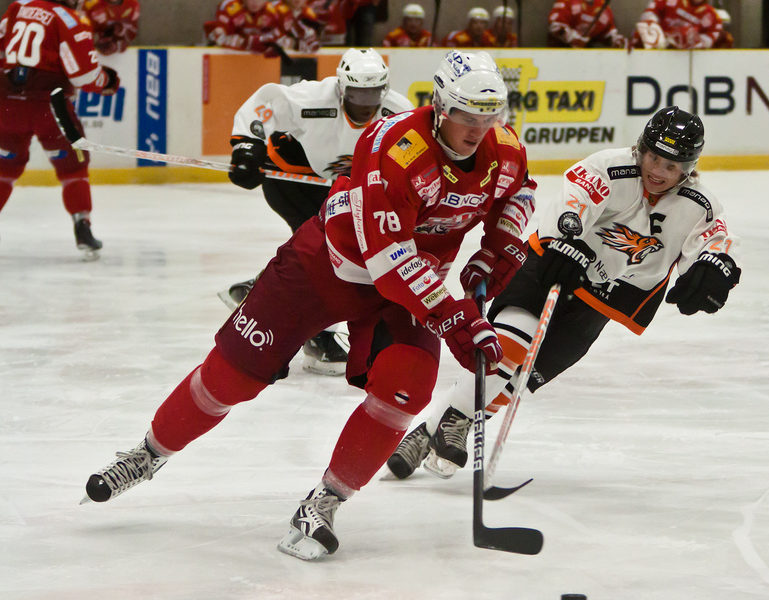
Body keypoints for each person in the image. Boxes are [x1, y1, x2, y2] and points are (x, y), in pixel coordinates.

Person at [83, 50, 537, 562]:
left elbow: (518, 195)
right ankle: (147, 453)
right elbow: (389, 260)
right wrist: (455, 316)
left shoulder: (505, 149)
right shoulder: (395, 145)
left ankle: (325, 502)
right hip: (329, 266)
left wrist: (500, 248)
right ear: (439, 106)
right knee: (231, 378)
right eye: (465, 116)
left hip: (410, 286)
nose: (477, 129)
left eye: (487, 116)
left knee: (405, 390)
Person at [387, 106, 741, 481]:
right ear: (641, 148)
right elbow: (573, 204)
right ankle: (457, 419)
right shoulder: (610, 167)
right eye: (654, 157)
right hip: (553, 270)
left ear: (688, 168)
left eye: (671, 167)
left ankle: (427, 432)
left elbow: (714, 240)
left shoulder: (698, 204)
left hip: (601, 299)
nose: (658, 171)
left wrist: (715, 265)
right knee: (507, 352)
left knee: (521, 378)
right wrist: (566, 241)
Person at [220, 47, 413, 375]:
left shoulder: (399, 112)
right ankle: (315, 338)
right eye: (356, 94)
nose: (365, 104)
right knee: (322, 257)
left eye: (373, 94)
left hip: (340, 190)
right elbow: (265, 103)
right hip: (293, 182)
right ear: (340, 87)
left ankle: (257, 290)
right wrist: (247, 147)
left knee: (339, 257)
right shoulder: (311, 98)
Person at [0, 0, 120, 260]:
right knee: (73, 166)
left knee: (4, 168)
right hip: (50, 108)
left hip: (7, 104)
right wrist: (108, 80)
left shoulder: (18, 6)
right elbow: (84, 77)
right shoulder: (68, 19)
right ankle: (82, 226)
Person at [632, 0, 723, 49]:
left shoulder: (713, 16)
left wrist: (694, 40)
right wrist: (655, 32)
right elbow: (649, 14)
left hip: (687, 60)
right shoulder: (668, 1)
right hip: (658, 52)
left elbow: (709, 40)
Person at [203, 0, 278, 54]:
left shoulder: (271, 12)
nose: (256, 2)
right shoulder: (230, 7)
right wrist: (246, 43)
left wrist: (266, 43)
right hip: (224, 56)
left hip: (254, 62)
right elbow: (215, 36)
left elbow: (277, 38)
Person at [547, 0, 626, 48]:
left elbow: (607, 33)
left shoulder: (602, 6)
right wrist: (572, 38)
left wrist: (615, 40)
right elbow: (555, 26)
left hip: (584, 57)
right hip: (559, 52)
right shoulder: (568, 1)